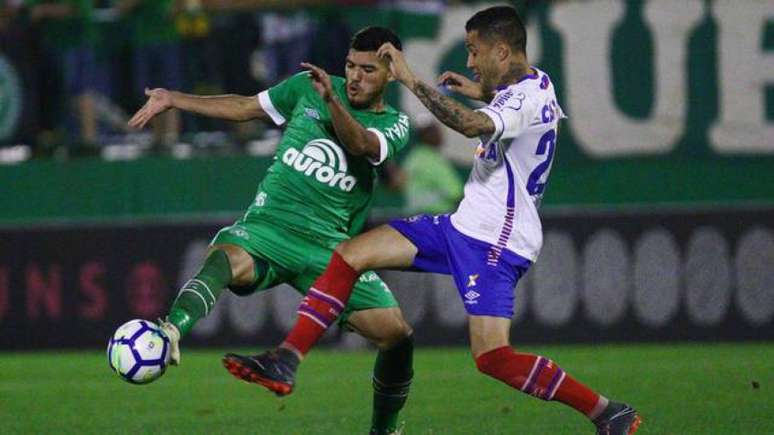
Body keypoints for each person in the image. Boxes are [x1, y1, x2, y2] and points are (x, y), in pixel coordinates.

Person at [248, 6, 641, 435]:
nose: (469, 61)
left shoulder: (524, 98)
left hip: (497, 240)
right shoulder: (535, 81)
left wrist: (411, 80)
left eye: (475, 52)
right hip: (462, 226)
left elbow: (473, 126)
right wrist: (476, 88)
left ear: (504, 51)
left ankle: (607, 412)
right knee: (349, 254)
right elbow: (507, 102)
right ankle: (287, 359)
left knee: (493, 358)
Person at [128, 26, 414, 435]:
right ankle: (172, 329)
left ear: (389, 73)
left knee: (397, 335)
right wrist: (174, 99)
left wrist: (332, 101)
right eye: (350, 66)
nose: (354, 77)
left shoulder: (395, 122)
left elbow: (363, 147)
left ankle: (383, 432)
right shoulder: (307, 87)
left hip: (332, 251)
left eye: (368, 70)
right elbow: (246, 107)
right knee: (225, 257)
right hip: (270, 228)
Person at [402, 114, 463, 214]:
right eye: (433, 131)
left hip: (414, 217)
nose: (439, 133)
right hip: (435, 217)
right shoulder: (432, 160)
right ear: (424, 135)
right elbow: (455, 194)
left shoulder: (414, 156)